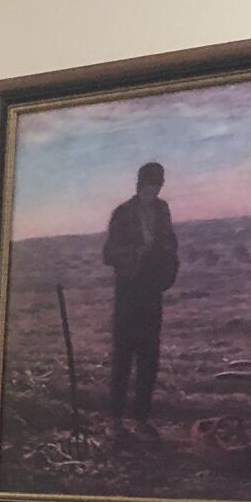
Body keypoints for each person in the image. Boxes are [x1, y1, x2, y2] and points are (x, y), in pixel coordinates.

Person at [101, 160, 177, 433]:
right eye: (149, 186)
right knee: (123, 355)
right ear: (139, 184)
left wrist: (165, 255)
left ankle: (141, 420)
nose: (153, 192)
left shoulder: (162, 209)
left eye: (157, 186)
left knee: (149, 357)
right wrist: (138, 253)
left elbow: (170, 241)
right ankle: (115, 419)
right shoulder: (122, 212)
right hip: (128, 290)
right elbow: (108, 253)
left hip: (151, 290)